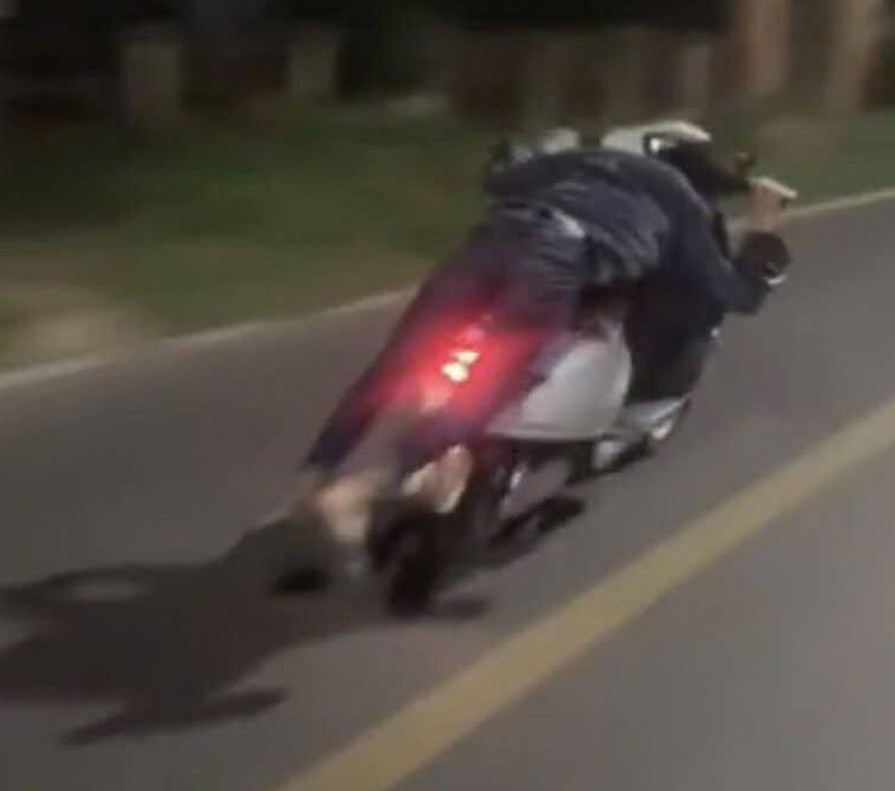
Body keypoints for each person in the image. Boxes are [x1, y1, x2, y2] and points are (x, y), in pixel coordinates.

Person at [278, 121, 790, 582]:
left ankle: (313, 478)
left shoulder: (575, 164)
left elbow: (501, 180)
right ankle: (368, 489)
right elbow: (734, 294)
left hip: (493, 240)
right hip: (553, 258)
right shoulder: (680, 201)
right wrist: (764, 225)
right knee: (504, 373)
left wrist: (535, 157)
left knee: (394, 364)